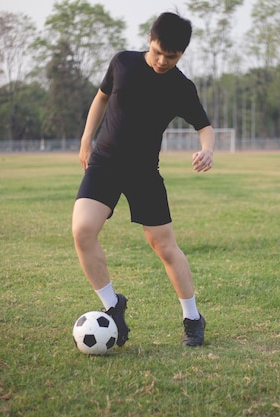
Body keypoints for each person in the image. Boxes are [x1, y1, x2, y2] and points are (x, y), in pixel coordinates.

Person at [72, 11, 215, 348]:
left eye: (173, 56)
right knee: (82, 231)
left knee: (164, 247)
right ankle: (113, 306)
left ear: (182, 53)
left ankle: (193, 318)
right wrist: (85, 140)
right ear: (150, 40)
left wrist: (207, 150)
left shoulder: (182, 87)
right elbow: (101, 96)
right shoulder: (123, 63)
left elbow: (204, 127)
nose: (163, 61)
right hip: (104, 162)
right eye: (159, 52)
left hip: (143, 171)